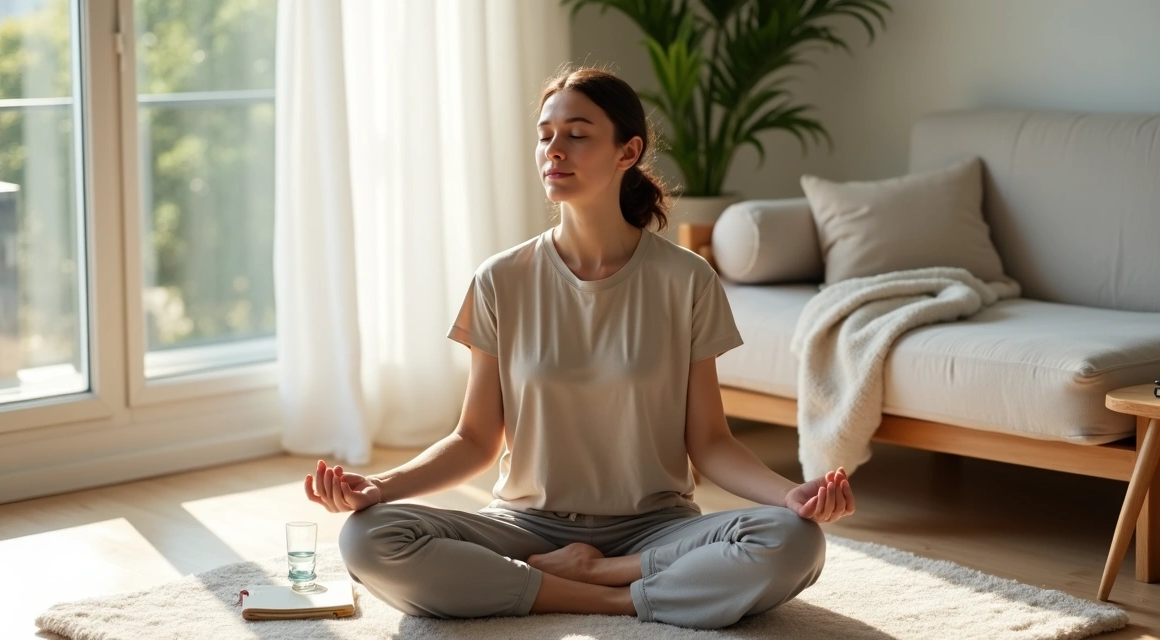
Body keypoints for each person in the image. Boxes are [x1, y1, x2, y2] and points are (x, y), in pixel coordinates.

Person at [302, 66, 855, 630]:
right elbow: (474, 439)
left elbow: (710, 443)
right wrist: (379, 486)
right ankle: (611, 593)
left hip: (655, 527)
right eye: (545, 135)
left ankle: (605, 577)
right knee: (369, 537)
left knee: (793, 540)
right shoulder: (500, 280)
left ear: (627, 151)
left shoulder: (687, 280)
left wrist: (792, 497)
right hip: (525, 527)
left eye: (577, 133)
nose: (554, 150)